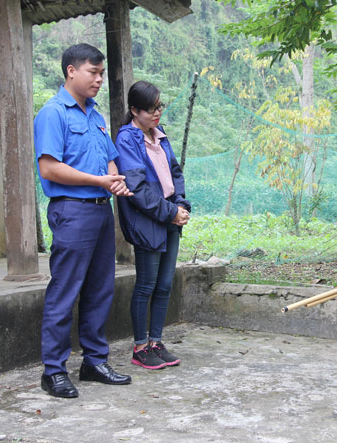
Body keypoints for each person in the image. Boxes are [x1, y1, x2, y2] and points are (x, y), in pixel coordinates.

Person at [34, 43, 134, 398]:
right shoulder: (53, 114)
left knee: (99, 288)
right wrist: (98, 181)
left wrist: (114, 179)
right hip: (72, 211)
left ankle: (94, 361)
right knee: (66, 289)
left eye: (102, 73)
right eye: (93, 72)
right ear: (71, 71)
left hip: (100, 211)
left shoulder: (95, 116)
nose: (99, 80)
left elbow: (108, 159)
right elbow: (49, 167)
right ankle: (54, 371)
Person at [114, 81, 191, 370]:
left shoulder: (160, 136)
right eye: (151, 109)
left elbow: (175, 174)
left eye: (160, 107)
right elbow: (136, 187)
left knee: (165, 283)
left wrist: (181, 205)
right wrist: (170, 212)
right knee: (146, 284)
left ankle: (156, 342)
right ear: (134, 110)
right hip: (148, 221)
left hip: (170, 215)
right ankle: (139, 347)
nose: (157, 113)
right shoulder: (127, 140)